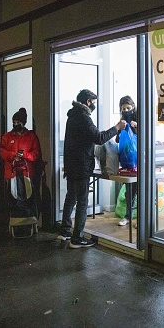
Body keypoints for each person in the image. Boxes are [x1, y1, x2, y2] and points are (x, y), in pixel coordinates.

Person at [60, 89, 126, 248]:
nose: (95, 105)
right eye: (94, 102)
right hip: (81, 166)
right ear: (88, 101)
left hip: (71, 165)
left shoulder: (72, 117)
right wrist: (116, 127)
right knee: (82, 201)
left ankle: (64, 231)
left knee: (71, 197)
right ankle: (77, 238)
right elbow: (99, 138)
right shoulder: (84, 118)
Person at [0, 108, 41, 216]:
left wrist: (25, 155)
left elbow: (35, 154)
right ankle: (13, 218)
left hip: (27, 173)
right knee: (12, 198)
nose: (15, 124)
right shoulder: (7, 137)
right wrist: (13, 155)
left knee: (28, 197)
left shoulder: (31, 137)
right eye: (14, 122)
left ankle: (28, 218)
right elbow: (2, 152)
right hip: (11, 173)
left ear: (23, 123)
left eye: (18, 122)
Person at [116, 95, 138, 227]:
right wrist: (119, 129)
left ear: (133, 107)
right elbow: (118, 141)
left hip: (139, 161)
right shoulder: (122, 120)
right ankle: (128, 215)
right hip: (126, 162)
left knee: (140, 190)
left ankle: (141, 217)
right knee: (129, 190)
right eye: (123, 108)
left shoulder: (139, 118)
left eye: (128, 108)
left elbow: (145, 137)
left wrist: (136, 128)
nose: (126, 110)